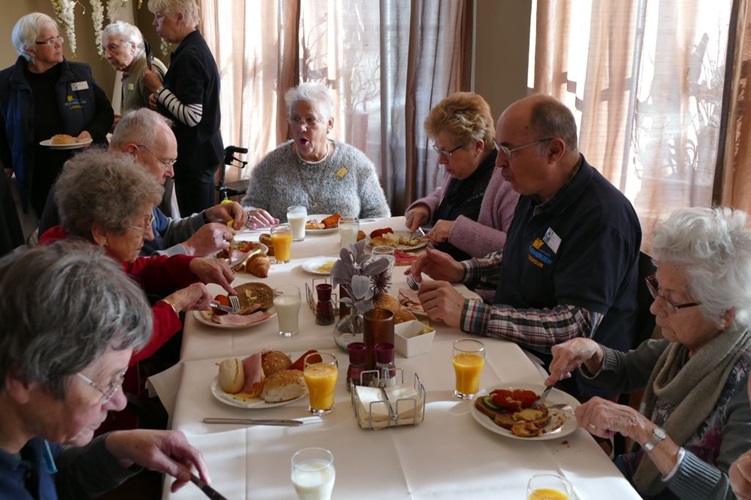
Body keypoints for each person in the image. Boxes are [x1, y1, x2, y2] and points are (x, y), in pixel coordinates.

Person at [410, 94, 641, 398]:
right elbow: (520, 254)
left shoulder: (601, 219)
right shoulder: (537, 192)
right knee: (419, 374)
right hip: (513, 350)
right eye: (499, 149)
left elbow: (573, 328)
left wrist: (469, 313)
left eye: (509, 151)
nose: (500, 163)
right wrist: (464, 270)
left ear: (554, 151)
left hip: (562, 382)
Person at [546, 207, 751, 499]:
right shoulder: (690, 342)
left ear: (724, 314)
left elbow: (730, 493)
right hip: (629, 479)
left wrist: (643, 430)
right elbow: (630, 368)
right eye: (658, 289)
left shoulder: (746, 381)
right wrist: (590, 351)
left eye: (673, 301)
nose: (655, 308)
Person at [0, 241, 211, 497]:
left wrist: (118, 448)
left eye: (120, 378)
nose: (120, 402)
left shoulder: (28, 429)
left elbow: (51, 486)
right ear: (24, 379)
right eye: (106, 383)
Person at [39, 149, 235, 371]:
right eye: (141, 223)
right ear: (102, 231)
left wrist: (189, 264)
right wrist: (176, 302)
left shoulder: (89, 246)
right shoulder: (72, 280)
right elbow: (121, 346)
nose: (149, 234)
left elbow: (137, 268)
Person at [38, 108, 249, 257]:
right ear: (132, 153)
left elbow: (165, 232)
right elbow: (127, 277)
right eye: (166, 162)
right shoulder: (92, 195)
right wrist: (189, 248)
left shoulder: (129, 184)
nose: (171, 172)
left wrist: (207, 217)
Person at [0, 12, 114, 217]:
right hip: (39, 177)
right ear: (29, 49)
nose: (59, 44)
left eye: (58, 38)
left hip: (85, 171)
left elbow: (105, 112)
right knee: (52, 236)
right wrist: (7, 164)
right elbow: (2, 128)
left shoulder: (80, 73)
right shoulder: (6, 83)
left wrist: (90, 133)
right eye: (50, 40)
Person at [241, 82, 390, 220]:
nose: (301, 127)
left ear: (329, 124)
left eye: (310, 119)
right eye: (295, 119)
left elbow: (379, 214)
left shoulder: (355, 163)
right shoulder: (271, 164)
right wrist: (251, 215)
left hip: (344, 247)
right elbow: (249, 207)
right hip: (289, 248)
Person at [404, 91, 518, 262]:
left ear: (477, 146)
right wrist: (427, 207)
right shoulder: (461, 167)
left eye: (446, 152)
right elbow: (445, 195)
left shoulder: (508, 183)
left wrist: (456, 231)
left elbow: (515, 248)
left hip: (472, 284)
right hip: (438, 267)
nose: (441, 161)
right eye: (439, 150)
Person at [142, 0, 223, 216]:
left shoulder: (189, 56)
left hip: (196, 155)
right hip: (202, 150)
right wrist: (161, 100)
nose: (154, 23)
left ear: (178, 18)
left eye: (159, 16)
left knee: (197, 224)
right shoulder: (194, 47)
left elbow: (191, 115)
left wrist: (158, 89)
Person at [102, 21, 168, 121]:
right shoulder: (129, 69)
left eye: (113, 47)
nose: (107, 55)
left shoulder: (147, 69)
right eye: (104, 49)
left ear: (132, 47)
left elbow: (160, 120)